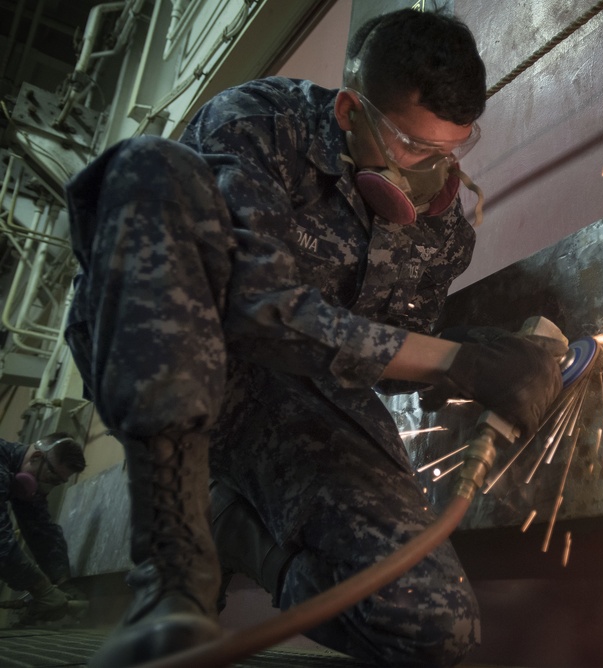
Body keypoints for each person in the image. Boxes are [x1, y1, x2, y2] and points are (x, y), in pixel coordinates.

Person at [63, 8, 563, 667]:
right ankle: (174, 567)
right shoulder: (257, 124)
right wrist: (452, 361)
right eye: (412, 146)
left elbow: (380, 350)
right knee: (151, 166)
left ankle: (238, 532)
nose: (433, 169)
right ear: (352, 112)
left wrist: (472, 361)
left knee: (432, 622)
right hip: (179, 354)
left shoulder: (444, 234)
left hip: (298, 400)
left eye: (452, 149)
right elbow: (255, 306)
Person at [0, 433, 87, 623]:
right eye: (51, 479)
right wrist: (42, 588)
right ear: (37, 458)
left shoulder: (25, 475)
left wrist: (63, 582)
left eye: (58, 483)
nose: (48, 489)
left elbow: (41, 529)